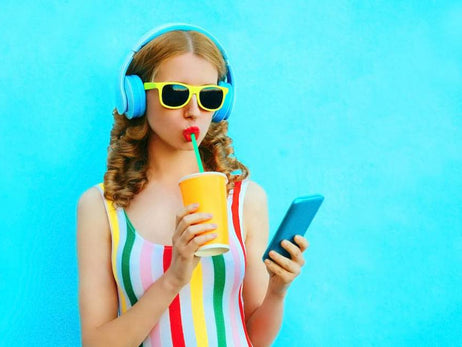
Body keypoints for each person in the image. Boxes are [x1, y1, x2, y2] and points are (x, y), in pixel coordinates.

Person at [76, 23, 309, 347]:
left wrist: (278, 290)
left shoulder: (246, 199)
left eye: (209, 96)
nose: (194, 112)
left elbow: (255, 337)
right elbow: (96, 343)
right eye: (176, 94)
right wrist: (174, 277)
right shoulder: (101, 206)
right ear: (136, 97)